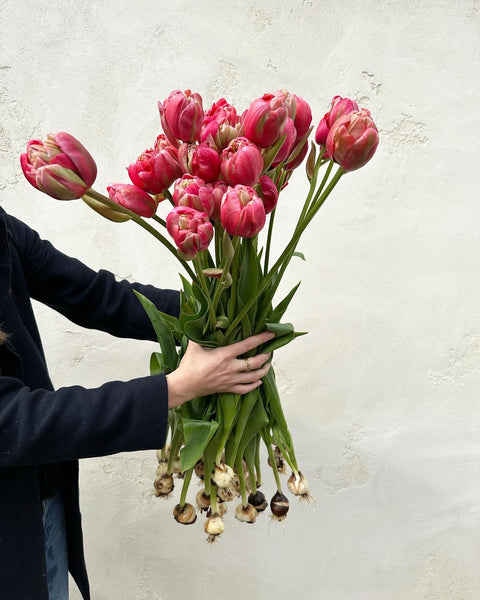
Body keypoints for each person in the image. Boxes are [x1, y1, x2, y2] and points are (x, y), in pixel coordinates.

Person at [0, 206, 273, 600]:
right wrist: (173, 389)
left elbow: (91, 294)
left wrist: (218, 316)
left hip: (42, 490)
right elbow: (11, 421)